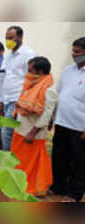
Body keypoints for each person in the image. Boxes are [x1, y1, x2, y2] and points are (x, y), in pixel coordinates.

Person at [11, 57, 56, 196]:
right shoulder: (31, 84)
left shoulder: (49, 88)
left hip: (33, 132)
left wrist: (33, 132)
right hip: (21, 129)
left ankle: (33, 189)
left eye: (30, 70)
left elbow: (47, 114)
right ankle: (18, 184)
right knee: (19, 159)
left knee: (32, 162)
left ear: (40, 71)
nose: (27, 73)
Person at [50, 37, 85, 202]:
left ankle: (74, 193)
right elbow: (59, 95)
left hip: (80, 126)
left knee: (79, 161)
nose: (73, 54)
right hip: (62, 122)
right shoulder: (67, 71)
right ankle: (58, 187)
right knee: (59, 158)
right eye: (73, 51)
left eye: (77, 52)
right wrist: (52, 118)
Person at [0, 26, 36, 151]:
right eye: (6, 38)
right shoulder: (9, 56)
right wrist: (1, 100)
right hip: (6, 99)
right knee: (6, 132)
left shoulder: (28, 54)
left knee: (7, 132)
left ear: (20, 37)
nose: (8, 41)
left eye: (11, 38)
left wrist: (23, 101)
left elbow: (32, 79)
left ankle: (9, 163)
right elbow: (6, 78)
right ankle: (9, 159)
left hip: (17, 99)